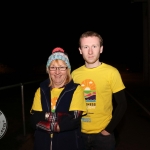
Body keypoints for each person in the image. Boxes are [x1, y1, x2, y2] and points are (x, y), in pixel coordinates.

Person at [71, 31, 127, 150]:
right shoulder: (74, 74)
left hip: (103, 136)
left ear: (101, 49)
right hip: (79, 133)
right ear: (80, 50)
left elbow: (122, 104)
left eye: (94, 46)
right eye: (86, 47)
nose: (90, 51)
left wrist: (108, 130)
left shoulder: (112, 72)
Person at [30, 47, 87, 150]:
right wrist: (60, 119)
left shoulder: (76, 89)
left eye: (61, 67)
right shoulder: (41, 90)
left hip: (68, 143)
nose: (57, 72)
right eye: (53, 67)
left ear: (67, 69)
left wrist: (44, 116)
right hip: (42, 143)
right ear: (48, 70)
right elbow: (34, 119)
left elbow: (73, 120)